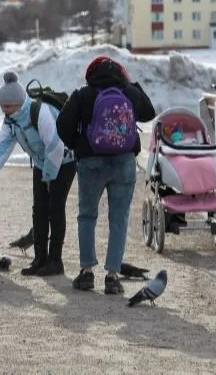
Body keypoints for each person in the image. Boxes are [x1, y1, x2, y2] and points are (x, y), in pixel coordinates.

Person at [56, 56, 155, 294]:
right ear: (121, 74)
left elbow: (62, 125)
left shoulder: (82, 94)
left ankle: (87, 272)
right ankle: (112, 276)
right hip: (124, 162)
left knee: (87, 216)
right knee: (118, 220)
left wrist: (79, 146)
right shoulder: (128, 92)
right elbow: (149, 113)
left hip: (91, 163)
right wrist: (131, 85)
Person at [0, 71, 76, 277]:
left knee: (55, 209)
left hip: (63, 162)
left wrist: (50, 176)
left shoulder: (39, 112)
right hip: (42, 163)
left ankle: (55, 261)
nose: (4, 111)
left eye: (7, 107)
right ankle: (39, 258)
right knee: (39, 209)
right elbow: (1, 149)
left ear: (18, 102)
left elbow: (55, 146)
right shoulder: (11, 120)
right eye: (2, 107)